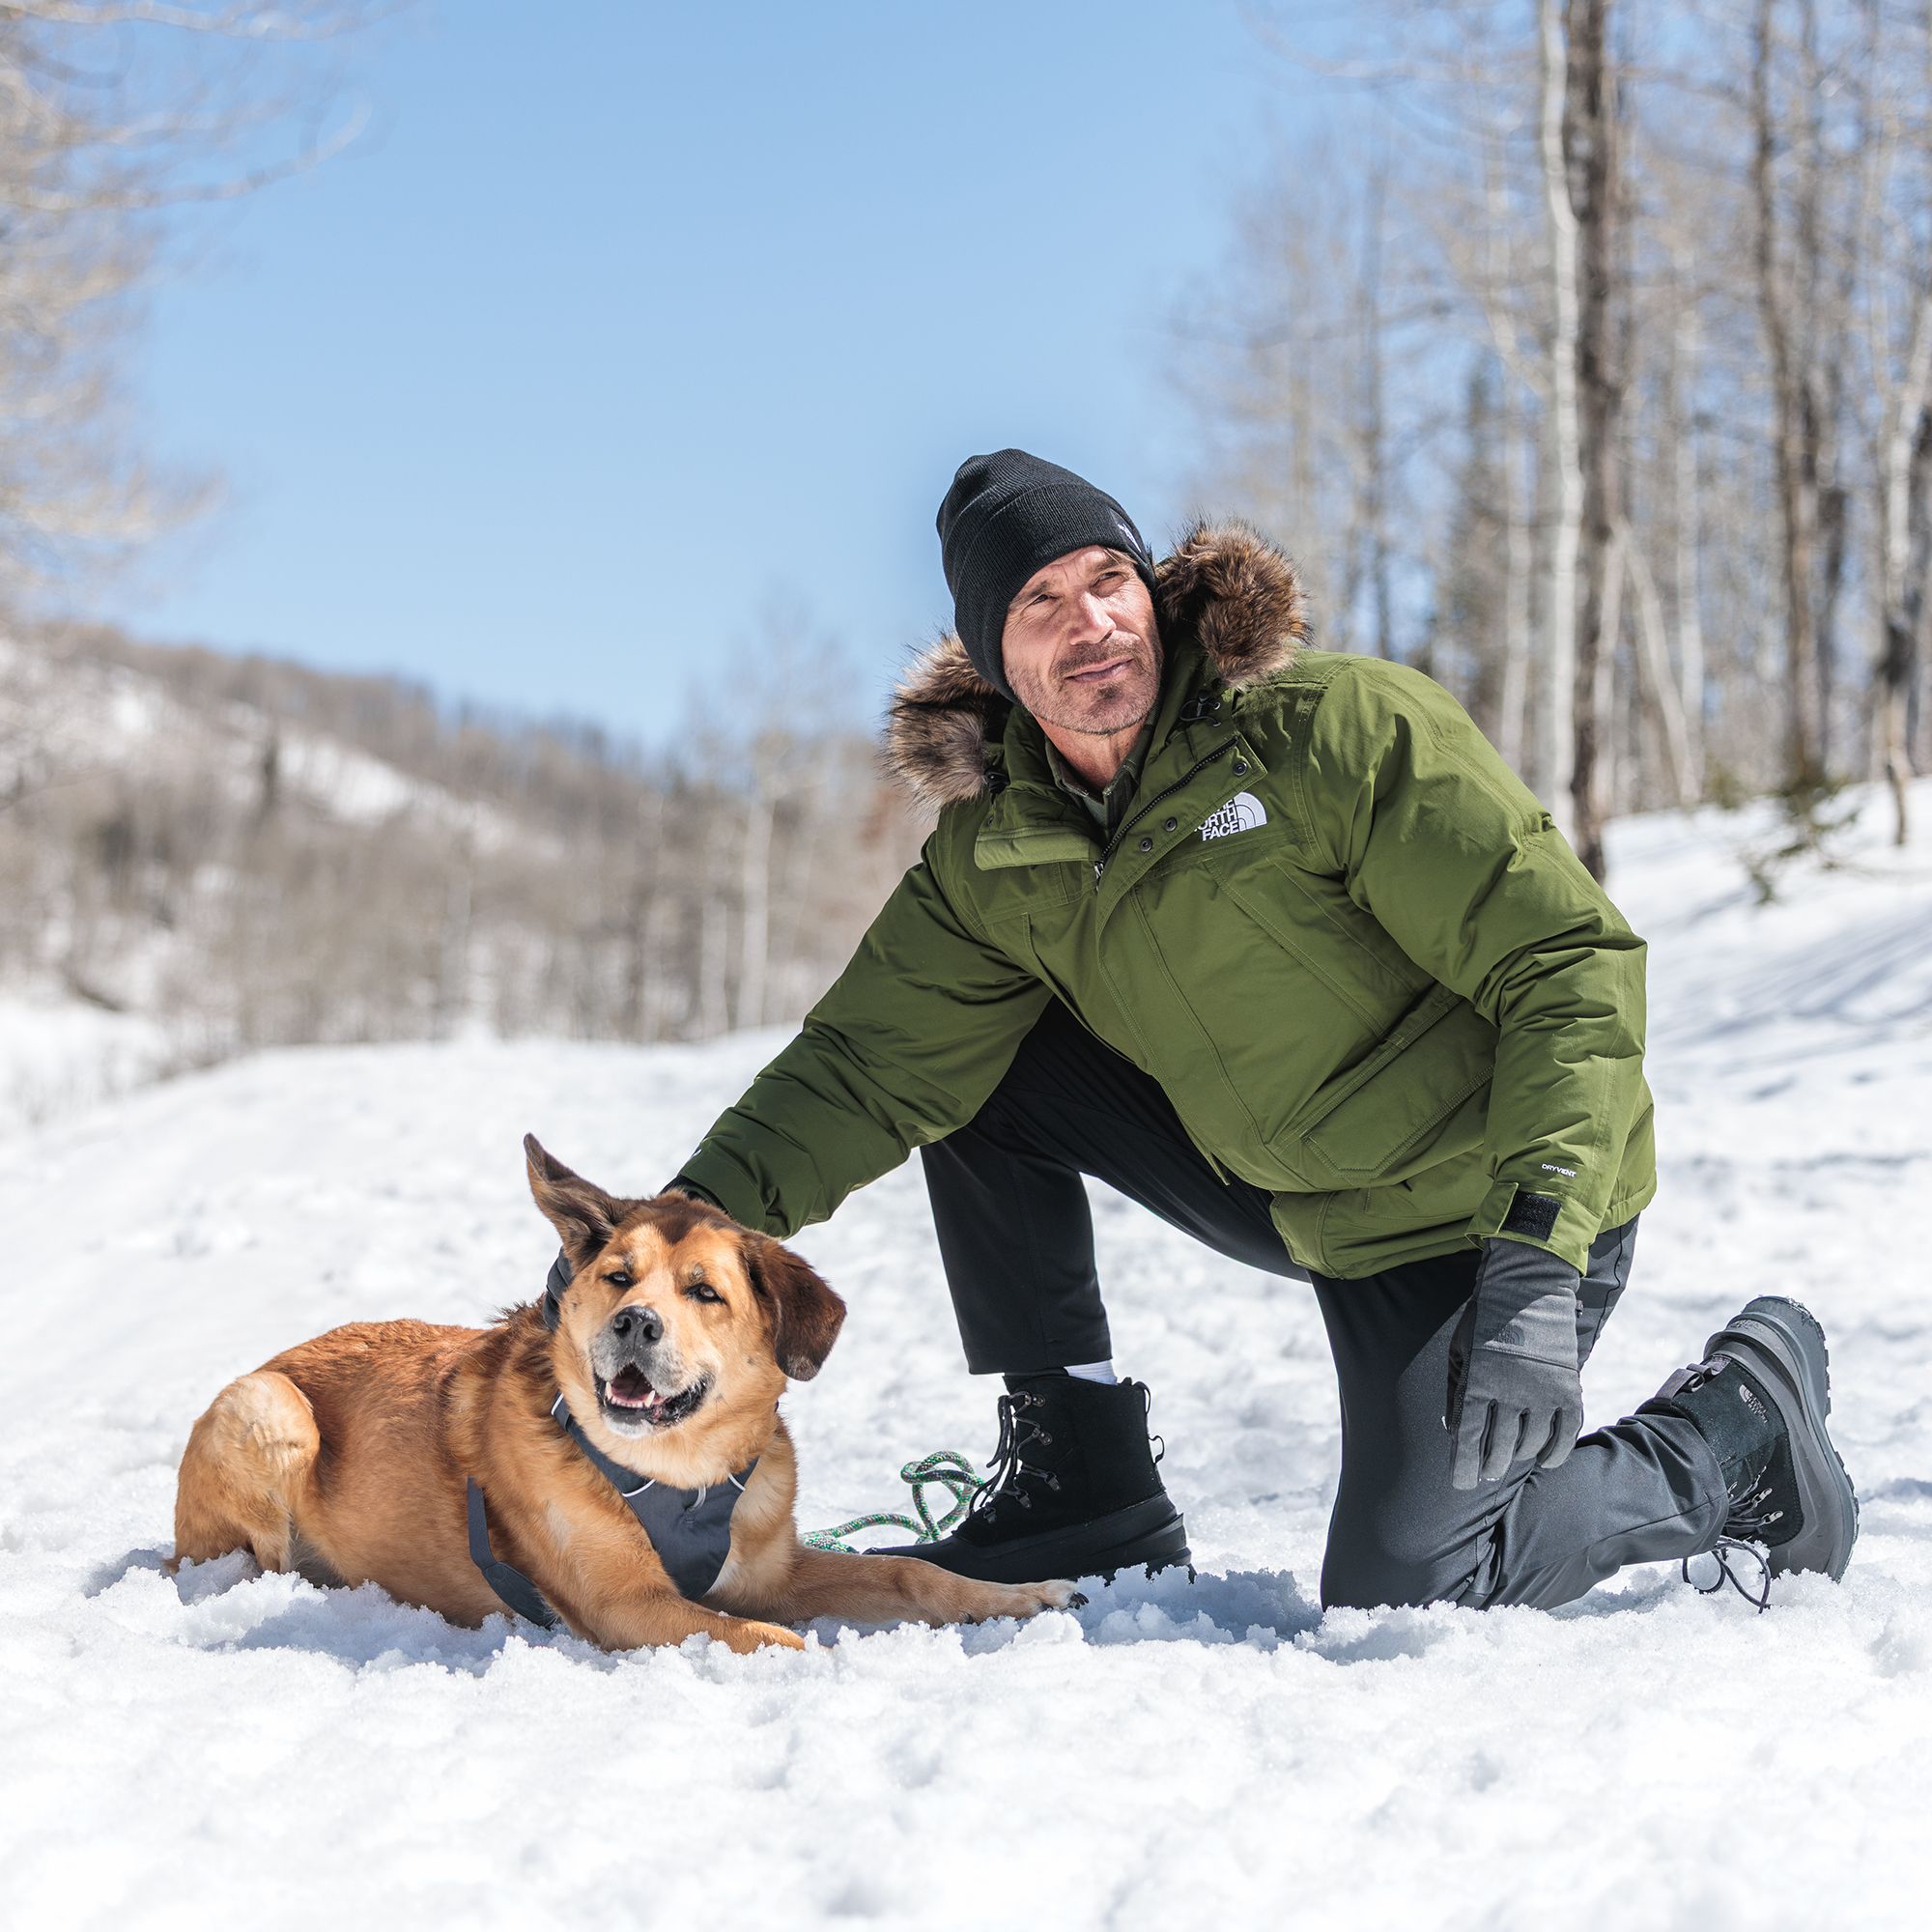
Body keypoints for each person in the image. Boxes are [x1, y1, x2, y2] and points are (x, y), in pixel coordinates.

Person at [569, 447, 1856, 1611]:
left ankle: (1734, 1431)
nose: (1094, 625)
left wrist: (1537, 1253)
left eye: (1110, 580)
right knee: (968, 1066)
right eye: (1041, 604)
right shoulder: (998, 851)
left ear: (1154, 589)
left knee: (1415, 1581)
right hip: (1298, 1193)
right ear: (993, 660)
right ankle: (1081, 1474)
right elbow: (861, 1067)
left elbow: (1566, 968)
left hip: (1493, 1203)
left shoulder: (1333, 735)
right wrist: (655, 1246)